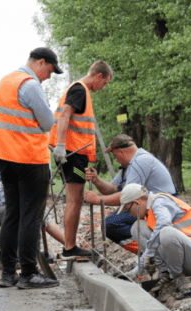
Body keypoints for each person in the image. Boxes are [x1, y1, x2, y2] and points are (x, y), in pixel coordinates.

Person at [0, 47, 62, 289]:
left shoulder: (6, 81)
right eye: (50, 71)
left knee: (13, 215)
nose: (49, 77)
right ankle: (29, 274)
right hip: (29, 159)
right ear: (41, 62)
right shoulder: (30, 85)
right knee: (31, 217)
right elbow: (48, 122)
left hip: (5, 158)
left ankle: (9, 273)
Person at [49, 61, 112, 260]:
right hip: (73, 153)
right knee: (75, 200)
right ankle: (70, 248)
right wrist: (60, 145)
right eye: (105, 83)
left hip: (73, 152)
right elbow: (65, 115)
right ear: (99, 76)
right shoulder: (80, 89)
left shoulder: (79, 90)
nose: (103, 88)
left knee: (75, 200)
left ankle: (70, 246)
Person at [84, 134, 177, 259]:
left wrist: (97, 200)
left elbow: (128, 195)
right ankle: (151, 253)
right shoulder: (130, 164)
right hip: (151, 207)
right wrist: (96, 180)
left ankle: (153, 254)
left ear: (121, 151)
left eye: (115, 156)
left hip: (162, 210)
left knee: (111, 224)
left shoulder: (140, 162)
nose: (116, 160)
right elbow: (112, 189)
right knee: (112, 221)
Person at [117, 184, 191, 292]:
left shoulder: (159, 201)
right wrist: (135, 272)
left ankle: (178, 278)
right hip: (182, 258)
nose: (130, 214)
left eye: (128, 210)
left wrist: (149, 254)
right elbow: (152, 243)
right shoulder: (149, 212)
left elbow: (164, 224)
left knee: (166, 232)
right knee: (137, 227)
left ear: (137, 203)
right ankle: (166, 273)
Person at [0, 182, 65, 266]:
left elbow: (48, 222)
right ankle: (10, 260)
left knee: (32, 214)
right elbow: (12, 215)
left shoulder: (31, 196)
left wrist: (68, 245)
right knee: (20, 213)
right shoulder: (12, 184)